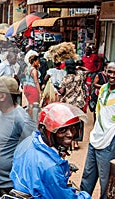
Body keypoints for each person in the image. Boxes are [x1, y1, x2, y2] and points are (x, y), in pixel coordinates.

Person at [10, 102, 91, 199]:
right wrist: (85, 196)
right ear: (47, 132)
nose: (70, 134)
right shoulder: (51, 168)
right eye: (62, 130)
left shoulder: (31, 139)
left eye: (73, 128)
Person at [80, 62, 115, 199]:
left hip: (109, 142)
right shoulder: (103, 89)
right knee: (87, 177)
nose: (112, 76)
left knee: (106, 182)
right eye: (110, 72)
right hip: (95, 139)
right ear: (105, 72)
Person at [58, 59, 89, 150]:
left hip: (68, 104)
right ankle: (76, 142)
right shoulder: (80, 74)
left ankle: (69, 142)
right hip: (79, 103)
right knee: (78, 122)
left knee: (69, 123)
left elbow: (62, 91)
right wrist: (79, 67)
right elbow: (88, 71)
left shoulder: (66, 78)